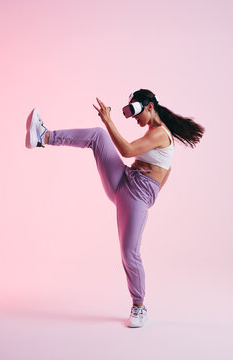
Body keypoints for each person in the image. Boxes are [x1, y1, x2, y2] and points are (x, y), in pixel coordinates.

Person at [25, 88, 205, 328]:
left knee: (129, 254)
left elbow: (128, 150)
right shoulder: (154, 131)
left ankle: (139, 307)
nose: (134, 118)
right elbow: (166, 169)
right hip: (123, 180)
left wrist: (109, 121)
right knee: (98, 136)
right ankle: (43, 136)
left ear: (150, 106)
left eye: (135, 111)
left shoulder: (161, 133)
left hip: (136, 197)